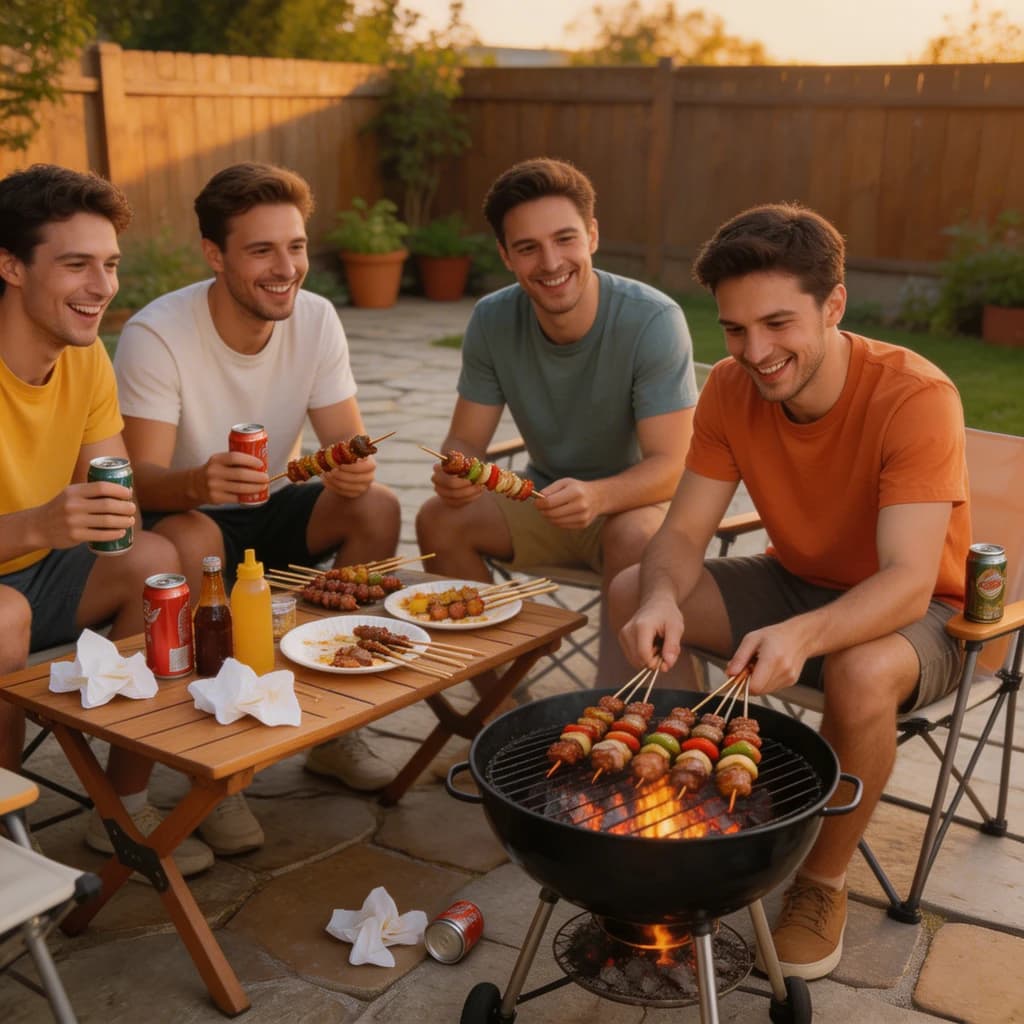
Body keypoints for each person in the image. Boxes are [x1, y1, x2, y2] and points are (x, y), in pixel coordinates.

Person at [612, 202, 971, 980]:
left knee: (861, 668)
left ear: (833, 304)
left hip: (927, 612)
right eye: (735, 330)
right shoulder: (731, 391)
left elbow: (909, 580)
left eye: (777, 324)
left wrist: (805, 636)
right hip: (794, 580)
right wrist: (660, 600)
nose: (755, 352)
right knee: (632, 587)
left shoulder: (914, 395)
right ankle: (690, 809)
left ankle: (820, 881)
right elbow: (679, 536)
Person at [113, 163, 402, 849]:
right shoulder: (158, 334)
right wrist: (198, 481)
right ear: (215, 255)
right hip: (188, 518)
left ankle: (337, 724)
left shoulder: (317, 318)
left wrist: (355, 469)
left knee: (378, 510)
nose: (286, 268)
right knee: (187, 545)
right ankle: (212, 771)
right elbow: (136, 483)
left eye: (296, 246)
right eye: (261, 250)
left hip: (268, 508)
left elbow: (345, 443)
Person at [0, 164, 214, 876]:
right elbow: (51, 522)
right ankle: (7, 838)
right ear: (10, 266)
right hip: (7, 588)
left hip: (41, 572)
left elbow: (110, 492)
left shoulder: (87, 357)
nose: (102, 287)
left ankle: (121, 803)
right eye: (75, 265)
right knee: (2, 617)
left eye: (111, 265)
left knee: (157, 556)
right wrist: (37, 525)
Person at [415, 157, 698, 683]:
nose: (550, 262)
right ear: (505, 255)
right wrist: (459, 471)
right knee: (438, 519)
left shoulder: (653, 320)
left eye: (565, 239)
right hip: (544, 500)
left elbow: (672, 467)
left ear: (592, 235)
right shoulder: (493, 319)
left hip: (640, 507)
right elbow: (466, 438)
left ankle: (617, 711)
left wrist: (598, 497)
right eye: (528, 247)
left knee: (631, 539)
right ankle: (495, 700)